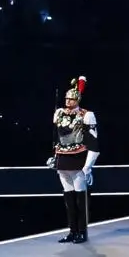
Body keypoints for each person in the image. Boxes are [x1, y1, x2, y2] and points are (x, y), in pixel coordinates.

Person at [48, 76, 99, 245]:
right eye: (67, 99)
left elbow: (93, 143)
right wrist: (54, 156)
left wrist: (88, 166)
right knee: (68, 198)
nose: (68, 101)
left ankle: (82, 232)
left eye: (71, 99)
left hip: (78, 159)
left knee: (79, 199)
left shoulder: (86, 115)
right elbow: (56, 136)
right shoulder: (59, 113)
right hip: (62, 158)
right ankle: (72, 231)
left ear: (77, 99)